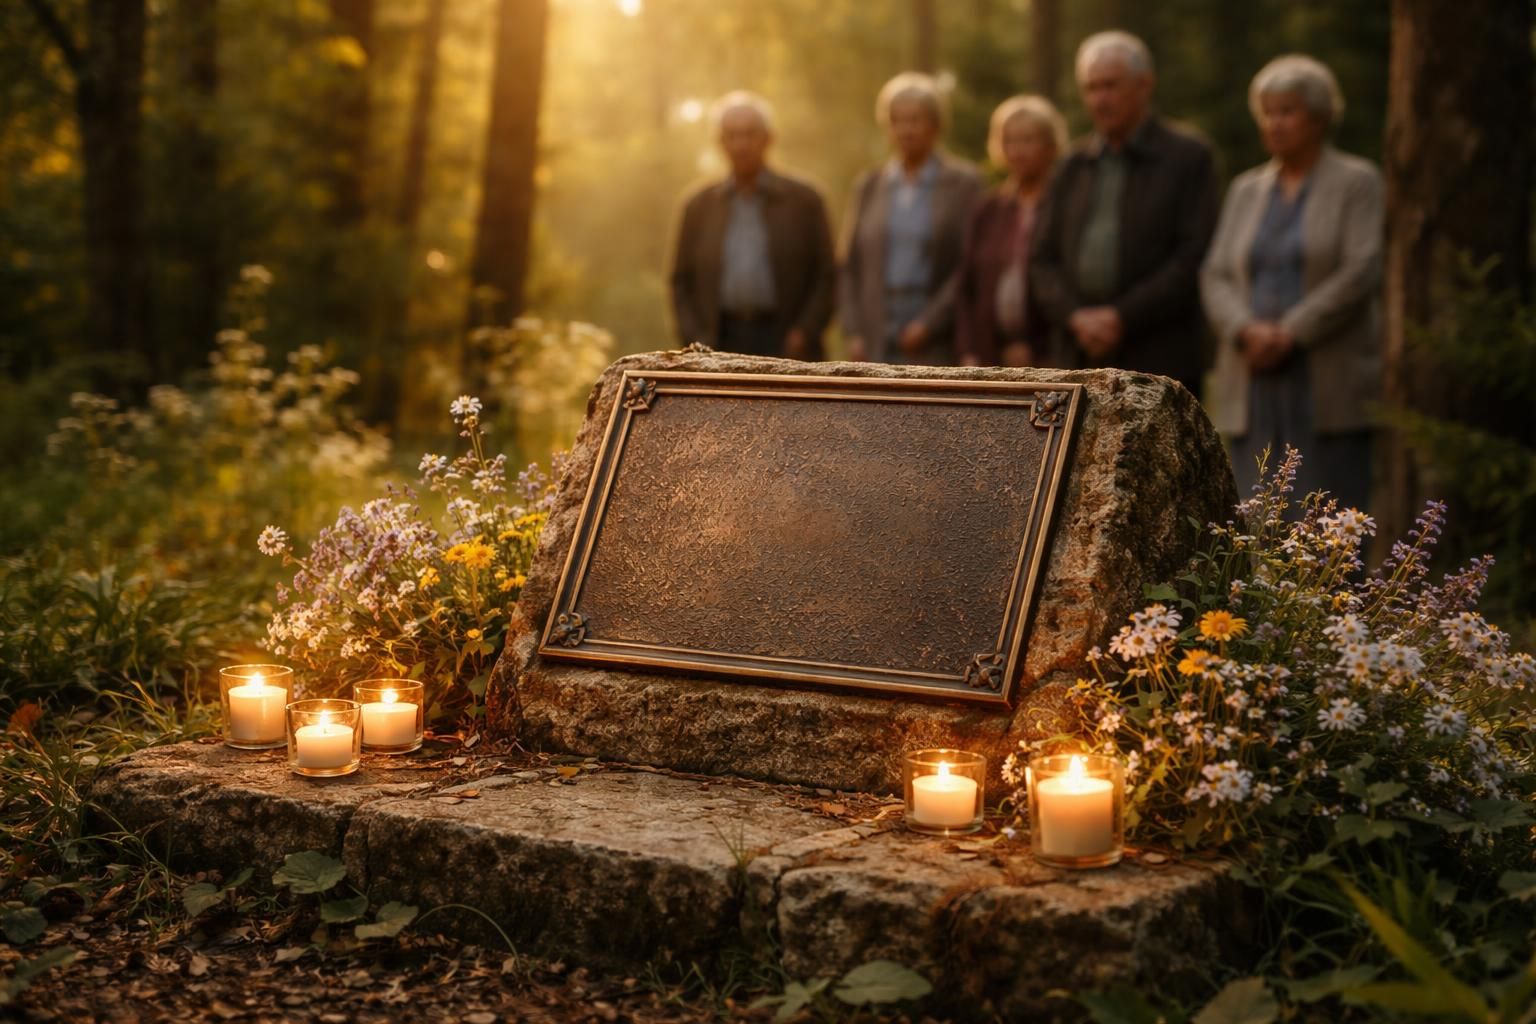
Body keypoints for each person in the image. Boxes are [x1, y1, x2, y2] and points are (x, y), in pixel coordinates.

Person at [1201, 55, 1382, 510]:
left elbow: (1362, 268)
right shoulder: (1245, 189)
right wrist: (1246, 330)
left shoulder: (1357, 182)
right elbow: (1216, 273)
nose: (1274, 122)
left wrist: (1291, 332)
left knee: (1330, 532)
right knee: (1255, 520)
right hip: (1252, 382)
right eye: (1267, 111)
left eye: (1287, 111)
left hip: (1325, 384)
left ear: (1320, 118)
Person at [1030, 31, 1218, 396]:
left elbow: (1193, 255)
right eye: (1091, 88)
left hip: (1162, 362)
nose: (1100, 99)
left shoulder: (1188, 157)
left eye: (1110, 86)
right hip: (1077, 359)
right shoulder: (1071, 165)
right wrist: (1076, 317)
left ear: (1144, 85)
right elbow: (1041, 260)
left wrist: (1120, 316)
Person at [669, 91, 836, 359]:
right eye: (732, 135)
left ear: (768, 139)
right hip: (719, 342)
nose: (741, 144)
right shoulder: (698, 206)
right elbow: (681, 283)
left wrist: (805, 332)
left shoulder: (805, 201)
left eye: (749, 134)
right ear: (721, 142)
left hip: (787, 345)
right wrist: (696, 338)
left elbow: (827, 276)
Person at [839, 72, 986, 364]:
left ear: (936, 125)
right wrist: (854, 331)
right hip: (876, 336)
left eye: (915, 120)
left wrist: (929, 323)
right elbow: (848, 265)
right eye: (898, 121)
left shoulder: (965, 184)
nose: (906, 130)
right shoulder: (870, 185)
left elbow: (970, 266)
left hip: (937, 339)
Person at [955, 95, 1067, 367]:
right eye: (1009, 141)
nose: (1017, 150)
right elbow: (966, 288)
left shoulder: (1066, 206)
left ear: (1051, 145)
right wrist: (968, 351)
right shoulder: (989, 209)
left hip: (1054, 360)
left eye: (1028, 140)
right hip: (989, 360)